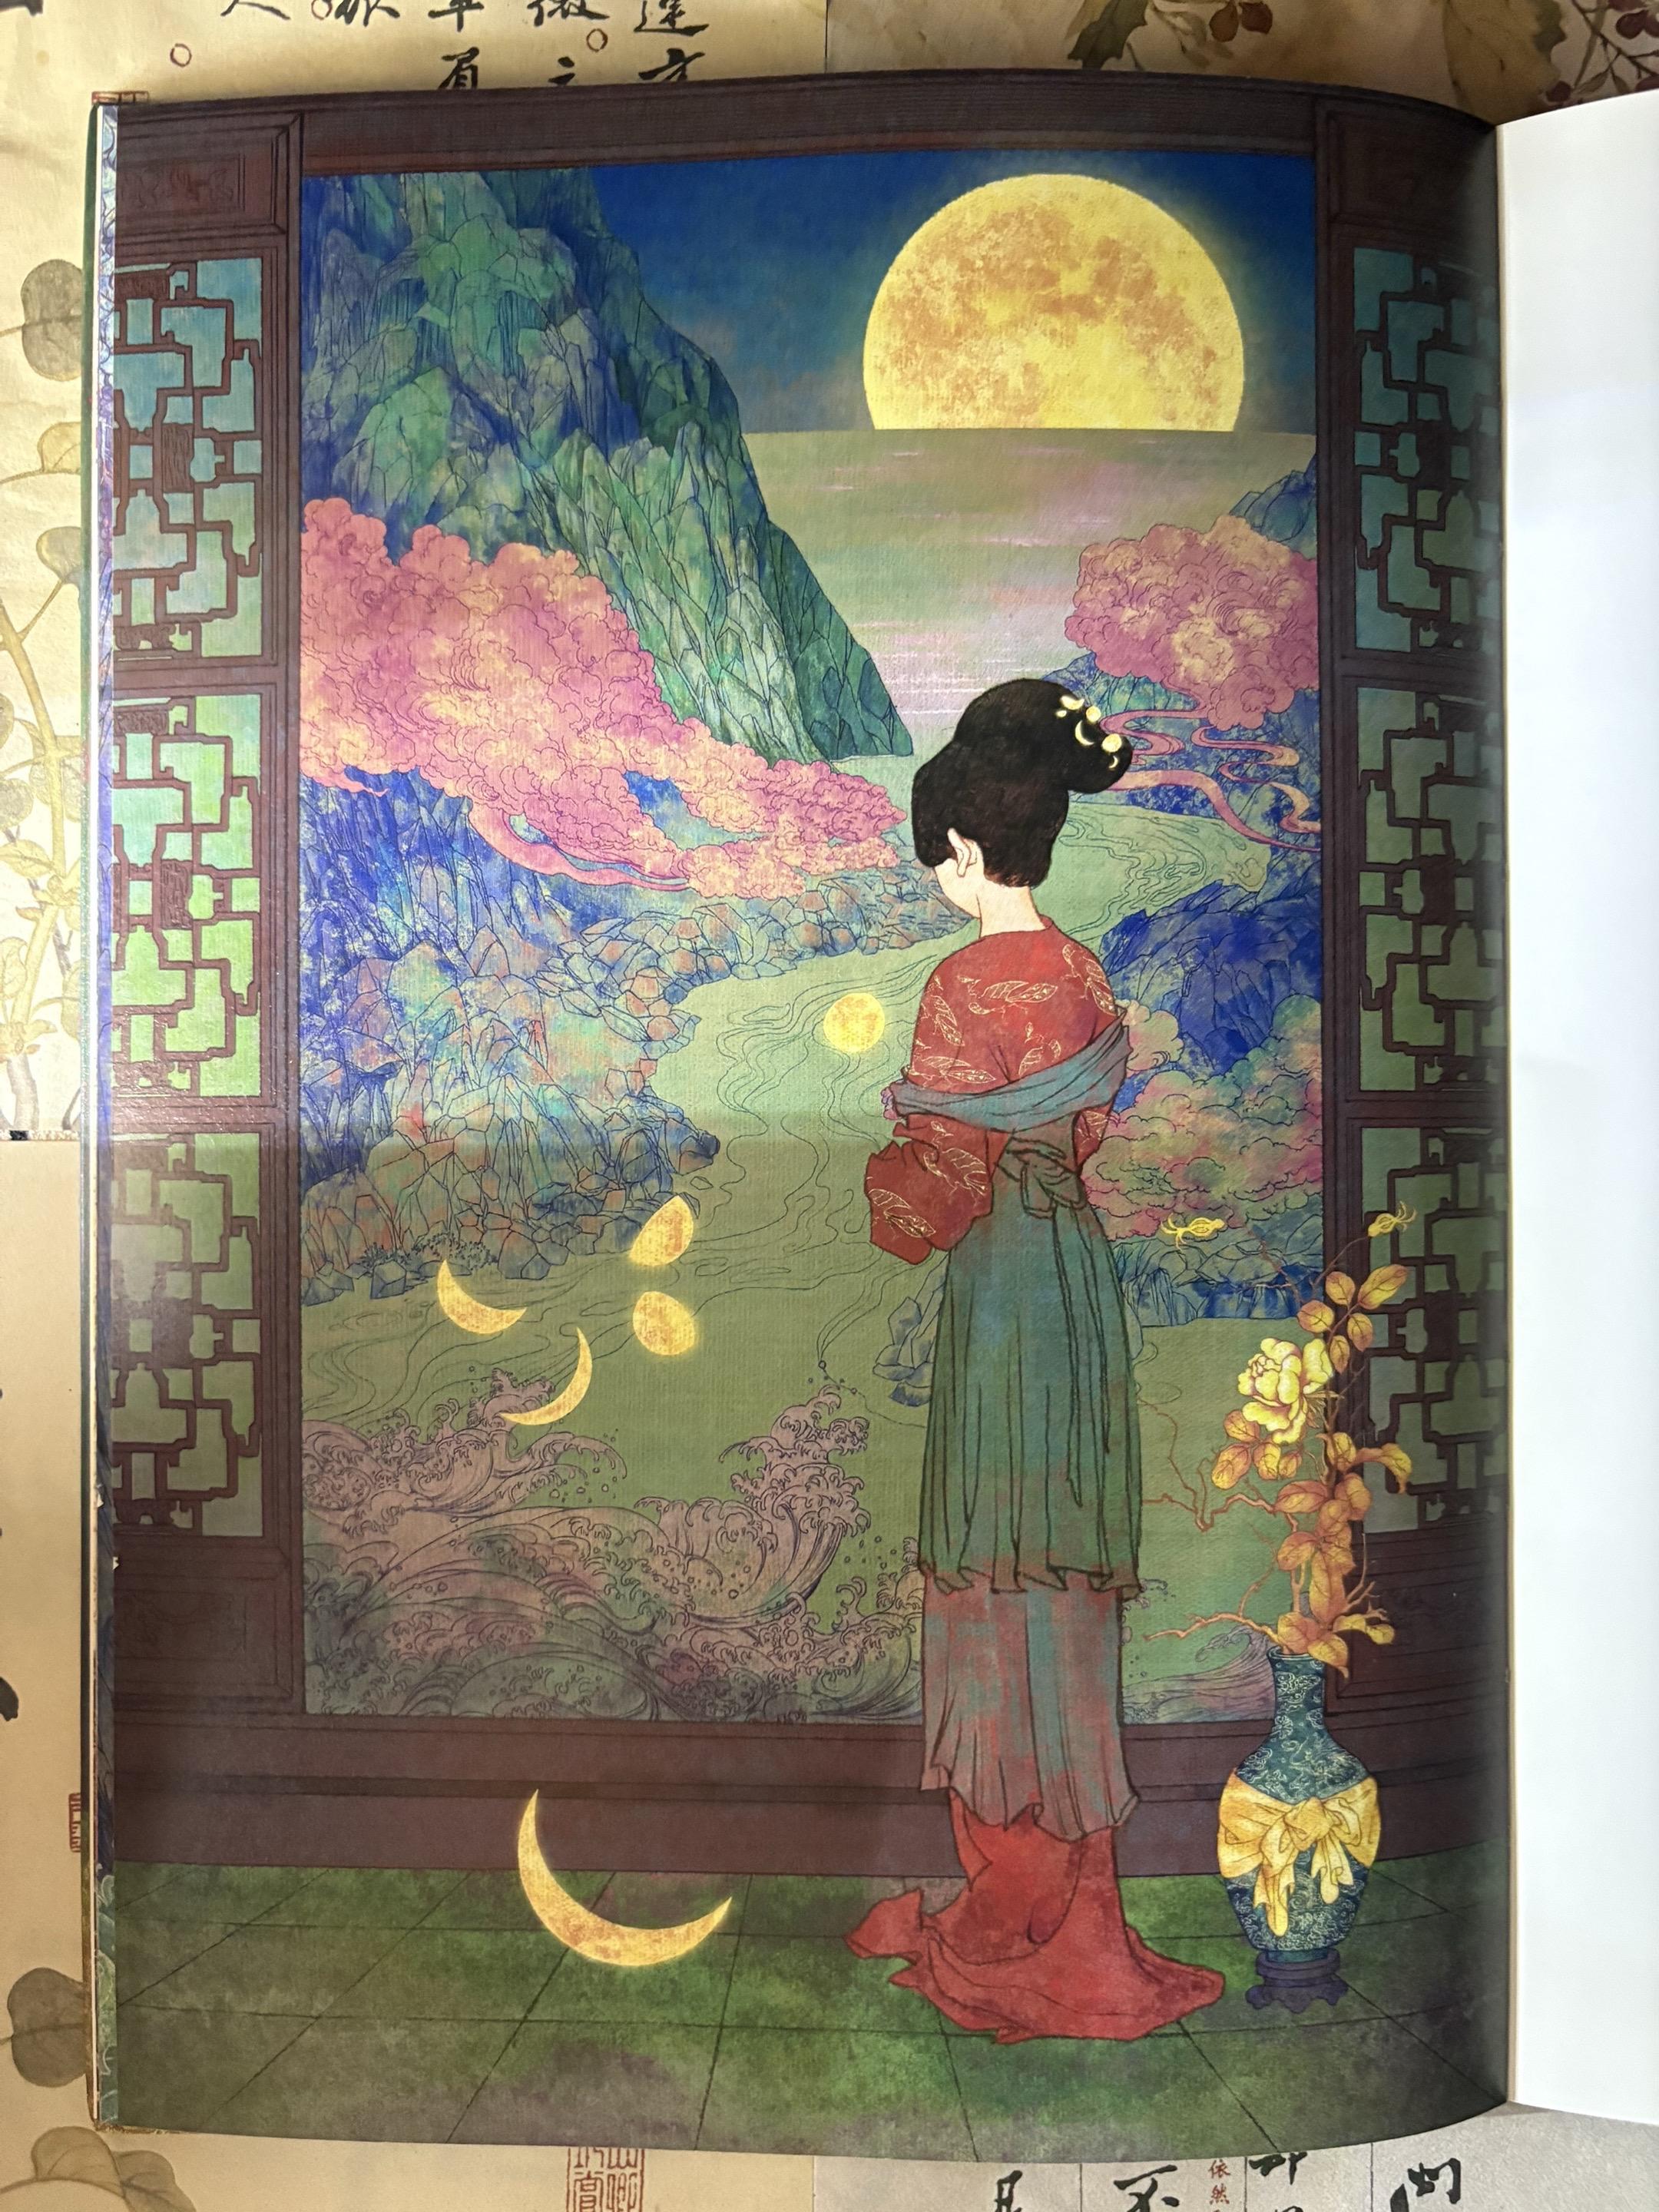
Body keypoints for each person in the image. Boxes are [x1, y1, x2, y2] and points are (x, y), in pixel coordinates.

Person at [846, 678, 1224, 2042]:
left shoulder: (962, 983)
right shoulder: (1081, 974)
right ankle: (1078, 1899)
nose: (938, 880)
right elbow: (1080, 1132)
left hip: (1004, 1282)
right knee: (1062, 1562)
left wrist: (894, 1197)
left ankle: (1009, 1904)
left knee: (992, 1558)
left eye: (935, 859)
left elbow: (939, 1183)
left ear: (961, 848)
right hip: (1076, 1279)